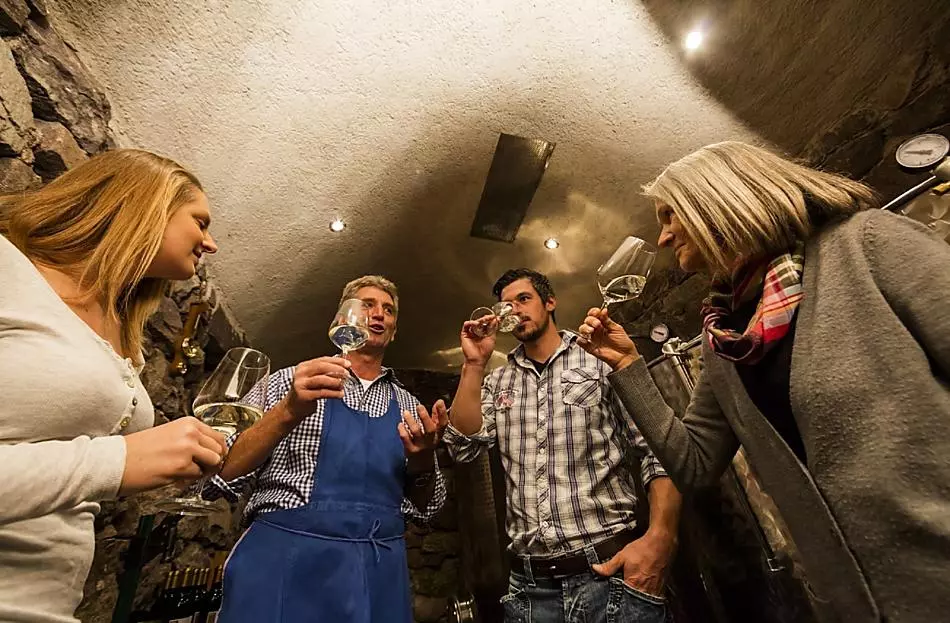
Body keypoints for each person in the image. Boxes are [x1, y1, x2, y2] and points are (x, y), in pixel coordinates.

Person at [578, 141, 950, 623]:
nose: (664, 238)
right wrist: (628, 365)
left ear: (717, 196)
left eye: (669, 216)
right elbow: (694, 465)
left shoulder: (866, 245)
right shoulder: (726, 338)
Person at [0, 149, 228, 622]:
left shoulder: (123, 332)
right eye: (200, 222)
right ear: (150, 203)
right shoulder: (9, 270)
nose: (210, 244)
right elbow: (104, 464)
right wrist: (118, 462)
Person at [444, 268, 682, 623]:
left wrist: (661, 538)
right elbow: (463, 447)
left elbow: (658, 448)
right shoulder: (498, 381)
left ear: (550, 302)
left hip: (609, 573)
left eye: (523, 299)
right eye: (506, 306)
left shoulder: (598, 359)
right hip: (530, 589)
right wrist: (474, 364)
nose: (514, 310)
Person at [207, 275, 447, 623]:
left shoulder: (410, 406)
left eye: (388, 309)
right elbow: (222, 472)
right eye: (367, 305)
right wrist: (288, 410)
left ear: (393, 331)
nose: (379, 313)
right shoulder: (289, 382)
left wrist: (423, 461)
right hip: (284, 561)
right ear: (340, 319)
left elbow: (429, 508)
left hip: (378, 572)